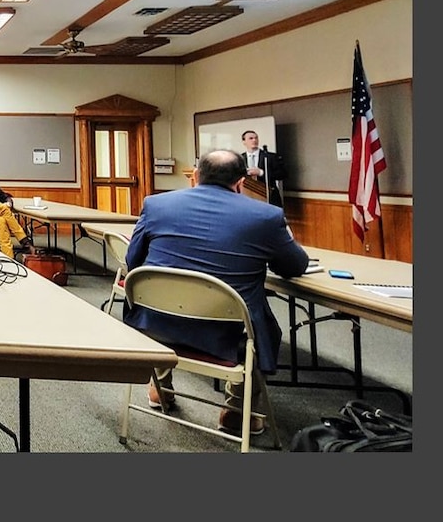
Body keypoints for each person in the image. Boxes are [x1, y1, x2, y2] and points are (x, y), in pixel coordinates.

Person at [123, 149, 309, 436]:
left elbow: (133, 262)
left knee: (164, 300)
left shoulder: (156, 205)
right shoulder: (266, 216)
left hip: (156, 325)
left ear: (195, 177)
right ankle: (236, 411)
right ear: (241, 183)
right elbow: (294, 266)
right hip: (226, 334)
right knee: (263, 328)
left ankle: (160, 388)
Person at [239, 130, 288, 208]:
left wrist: (261, 173)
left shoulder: (270, 157)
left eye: (256, 138)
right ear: (244, 142)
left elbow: (282, 174)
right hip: (248, 196)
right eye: (251, 138)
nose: (254, 140)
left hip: (268, 195)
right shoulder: (240, 158)